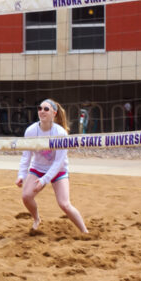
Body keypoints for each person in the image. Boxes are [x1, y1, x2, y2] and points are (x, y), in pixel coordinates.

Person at [15, 98, 88, 234]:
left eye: (46, 109)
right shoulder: (31, 131)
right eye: (40, 108)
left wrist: (45, 180)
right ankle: (37, 219)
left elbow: (59, 162)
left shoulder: (60, 133)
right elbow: (26, 156)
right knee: (26, 196)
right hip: (38, 168)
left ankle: (85, 232)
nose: (42, 111)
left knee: (64, 204)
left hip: (58, 170)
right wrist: (21, 175)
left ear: (54, 113)